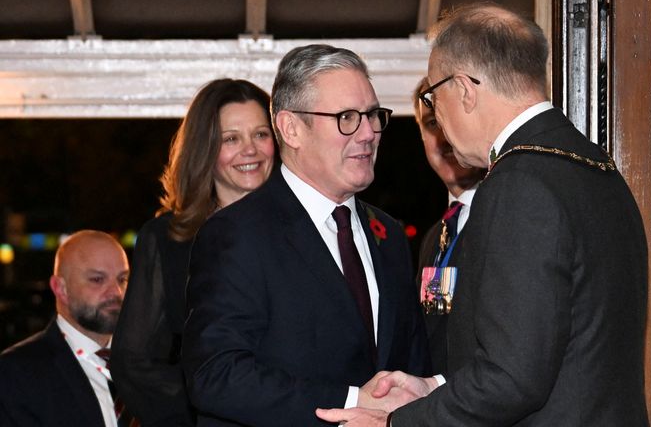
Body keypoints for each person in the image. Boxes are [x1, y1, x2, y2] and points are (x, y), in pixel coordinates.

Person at [317, 3, 649, 427]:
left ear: (465, 90)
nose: (436, 113)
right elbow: (551, 353)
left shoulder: (518, 183)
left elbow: (513, 381)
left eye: (433, 97)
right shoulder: (596, 169)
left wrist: (397, 423)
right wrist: (435, 387)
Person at [181, 44, 430, 426]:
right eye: (347, 117)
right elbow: (216, 374)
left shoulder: (390, 235)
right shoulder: (236, 234)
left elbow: (409, 362)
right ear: (291, 128)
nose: (368, 133)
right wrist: (349, 400)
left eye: (372, 115)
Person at [110, 79, 276, 426]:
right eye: (231, 138)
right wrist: (208, 406)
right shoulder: (166, 239)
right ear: (205, 148)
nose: (251, 150)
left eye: (261, 134)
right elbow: (133, 362)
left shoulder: (306, 232)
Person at [0, 230, 131, 427]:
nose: (116, 292)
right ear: (61, 288)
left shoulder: (151, 361)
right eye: (97, 279)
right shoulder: (16, 374)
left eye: (122, 279)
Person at [412, 77, 484, 374]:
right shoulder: (435, 236)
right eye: (431, 124)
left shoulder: (503, 219)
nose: (444, 136)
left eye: (451, 119)